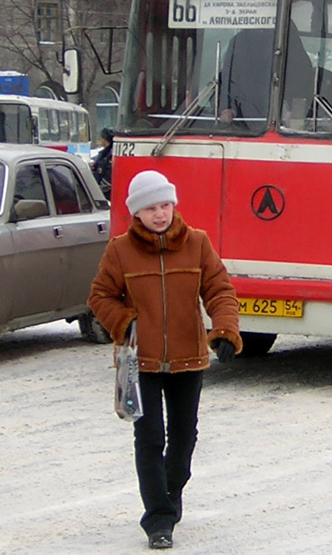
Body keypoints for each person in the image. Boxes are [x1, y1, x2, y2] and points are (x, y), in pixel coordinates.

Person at [88, 170, 243, 550]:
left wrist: (224, 329)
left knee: (184, 439)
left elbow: (220, 290)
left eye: (165, 205)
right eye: (151, 208)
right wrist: (124, 322)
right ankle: (158, 520)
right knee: (150, 438)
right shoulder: (120, 250)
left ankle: (170, 498)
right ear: (136, 213)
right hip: (142, 362)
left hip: (189, 357)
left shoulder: (197, 243)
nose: (160, 214)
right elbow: (100, 297)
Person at [91, 127, 114, 199]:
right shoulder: (103, 153)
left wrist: (97, 191)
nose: (100, 140)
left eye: (101, 138)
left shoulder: (111, 155)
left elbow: (109, 177)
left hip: (105, 194)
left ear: (105, 139)